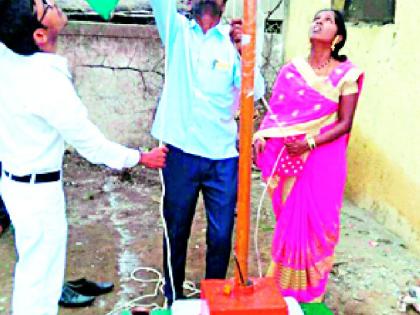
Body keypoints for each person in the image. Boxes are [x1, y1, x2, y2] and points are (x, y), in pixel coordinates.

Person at [0, 1, 167, 314]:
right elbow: (93, 146)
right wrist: (141, 157)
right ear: (39, 35)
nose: (53, 4)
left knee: (33, 272)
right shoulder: (49, 85)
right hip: (37, 194)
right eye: (44, 6)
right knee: (41, 282)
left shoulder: (7, 54)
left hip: (16, 184)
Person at [148, 0, 265, 305]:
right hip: (180, 154)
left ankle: (212, 299)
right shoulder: (177, 33)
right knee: (176, 229)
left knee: (222, 235)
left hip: (222, 157)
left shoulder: (232, 41)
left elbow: (257, 91)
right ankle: (173, 297)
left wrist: (244, 50)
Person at [254, 9, 364, 303]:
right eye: (316, 18)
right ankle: (283, 288)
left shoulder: (347, 74)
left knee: (319, 221)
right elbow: (276, 114)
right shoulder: (292, 71)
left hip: (324, 158)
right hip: (290, 157)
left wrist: (310, 143)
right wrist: (261, 136)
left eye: (328, 20)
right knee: (290, 217)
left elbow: (345, 122)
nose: (319, 22)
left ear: (338, 37)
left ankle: (311, 293)